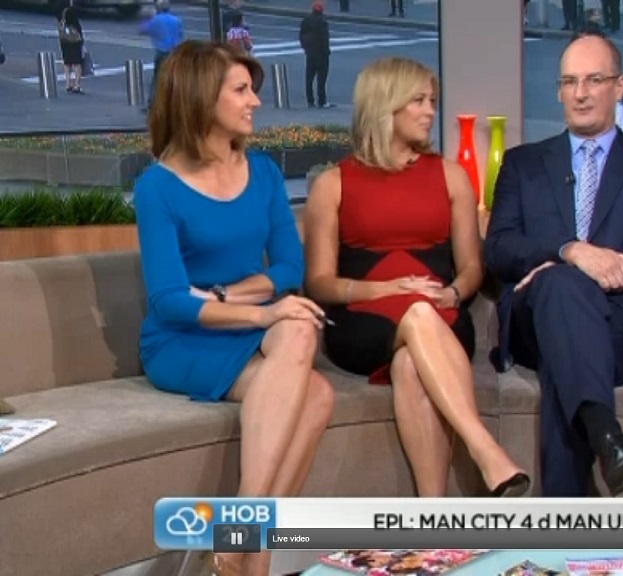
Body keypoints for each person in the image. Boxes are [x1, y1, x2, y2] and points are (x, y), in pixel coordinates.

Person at [134, 41, 335, 576]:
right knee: (315, 391)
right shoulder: (157, 187)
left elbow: (289, 267)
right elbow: (170, 300)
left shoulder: (263, 172)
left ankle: (238, 544)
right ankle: (252, 552)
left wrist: (226, 295)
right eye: (242, 90)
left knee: (301, 331)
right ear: (203, 97)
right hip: (182, 341)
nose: (255, 102)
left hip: (235, 321)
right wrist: (263, 312)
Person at [303, 57, 530, 498]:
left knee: (411, 361)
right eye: (419, 101)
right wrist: (384, 289)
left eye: (432, 100)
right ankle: (485, 450)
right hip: (362, 323)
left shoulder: (451, 176)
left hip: (442, 317)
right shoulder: (333, 184)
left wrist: (454, 293)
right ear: (385, 104)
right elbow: (319, 282)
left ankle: (433, 517)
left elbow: (472, 268)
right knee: (418, 314)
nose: (430, 111)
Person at [484, 34, 623, 497]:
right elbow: (498, 248)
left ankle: (574, 503)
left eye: (594, 80)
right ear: (559, 90)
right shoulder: (522, 164)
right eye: (569, 82)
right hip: (534, 319)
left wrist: (601, 267)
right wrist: (571, 252)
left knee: (565, 346)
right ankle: (609, 441)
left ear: (620, 86)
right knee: (561, 290)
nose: (580, 93)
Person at [139, 0, 184, 108]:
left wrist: (146, 17)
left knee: (157, 77)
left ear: (158, 8)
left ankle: (152, 102)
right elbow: (180, 34)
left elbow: (143, 30)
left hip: (162, 52)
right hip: (174, 51)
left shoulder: (156, 20)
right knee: (173, 77)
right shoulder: (176, 20)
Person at [299, 1, 335, 109]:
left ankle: (310, 100)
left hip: (310, 53)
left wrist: (305, 48)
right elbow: (324, 39)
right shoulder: (322, 21)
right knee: (321, 79)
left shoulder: (306, 20)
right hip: (322, 54)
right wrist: (327, 51)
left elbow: (301, 35)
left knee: (309, 78)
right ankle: (322, 101)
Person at [56, 2, 84, 94]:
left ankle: (68, 84)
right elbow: (76, 24)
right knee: (77, 63)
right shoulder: (71, 11)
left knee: (67, 62)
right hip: (74, 40)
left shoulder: (60, 10)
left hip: (64, 39)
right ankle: (77, 85)